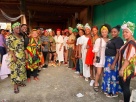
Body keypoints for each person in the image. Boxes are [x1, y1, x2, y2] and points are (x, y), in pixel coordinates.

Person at [102, 25, 124, 97]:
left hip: (112, 60)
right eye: (112, 32)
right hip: (108, 60)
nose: (113, 33)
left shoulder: (119, 40)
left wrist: (114, 63)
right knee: (108, 76)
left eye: (115, 32)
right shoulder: (113, 39)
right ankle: (108, 89)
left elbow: (118, 53)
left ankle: (113, 92)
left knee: (113, 77)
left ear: (118, 32)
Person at [6, 22, 26, 93]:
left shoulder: (21, 36)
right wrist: (14, 56)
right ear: (13, 29)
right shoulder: (10, 37)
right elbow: (10, 48)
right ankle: (15, 86)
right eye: (16, 28)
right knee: (15, 71)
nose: (18, 29)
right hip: (15, 56)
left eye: (19, 28)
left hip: (22, 56)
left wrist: (25, 54)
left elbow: (23, 47)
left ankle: (20, 82)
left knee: (21, 70)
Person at [119, 21, 136, 102]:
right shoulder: (129, 42)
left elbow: (128, 59)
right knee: (124, 85)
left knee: (125, 86)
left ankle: (127, 100)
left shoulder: (131, 44)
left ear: (131, 33)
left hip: (126, 69)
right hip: (127, 68)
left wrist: (122, 69)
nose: (124, 34)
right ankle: (127, 99)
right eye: (123, 32)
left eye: (126, 32)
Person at [93, 24, 110, 92]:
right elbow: (96, 49)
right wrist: (95, 57)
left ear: (107, 32)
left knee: (104, 73)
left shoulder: (109, 40)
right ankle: (96, 83)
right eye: (102, 32)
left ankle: (104, 84)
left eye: (105, 32)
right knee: (99, 72)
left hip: (107, 58)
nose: (104, 33)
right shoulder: (99, 40)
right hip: (100, 58)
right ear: (101, 33)